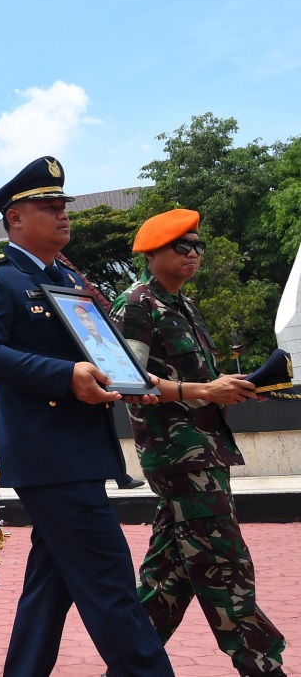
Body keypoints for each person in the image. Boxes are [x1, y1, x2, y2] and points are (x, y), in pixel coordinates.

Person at [0, 156, 173, 676]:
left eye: (64, 206)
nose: (63, 214)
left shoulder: (69, 278)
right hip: (49, 456)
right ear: (14, 219)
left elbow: (102, 352)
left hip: (78, 452)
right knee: (113, 588)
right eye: (48, 206)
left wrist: (128, 381)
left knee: (48, 588)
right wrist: (65, 375)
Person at [111, 209, 286, 676]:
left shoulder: (183, 305)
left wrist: (230, 387)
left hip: (205, 448)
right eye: (181, 246)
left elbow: (196, 379)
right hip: (178, 455)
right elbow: (128, 381)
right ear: (153, 255)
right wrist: (205, 390)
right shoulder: (137, 304)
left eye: (197, 246)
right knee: (225, 564)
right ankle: (263, 667)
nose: (193, 254)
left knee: (168, 575)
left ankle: (129, 666)